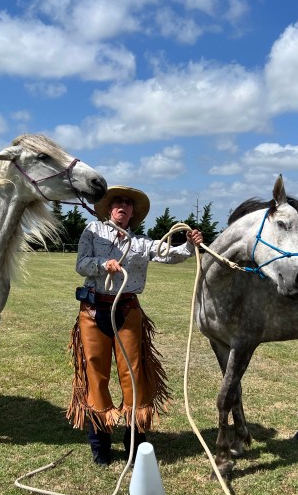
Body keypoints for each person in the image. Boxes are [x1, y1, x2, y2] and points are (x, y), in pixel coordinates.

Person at [66, 186, 203, 465]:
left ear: (132, 213)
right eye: (118, 202)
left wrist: (189, 245)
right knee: (95, 374)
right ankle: (100, 446)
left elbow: (168, 254)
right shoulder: (92, 231)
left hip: (127, 311)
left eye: (128, 204)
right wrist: (103, 264)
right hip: (94, 311)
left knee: (134, 375)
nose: (122, 206)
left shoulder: (141, 243)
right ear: (109, 208)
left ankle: (135, 443)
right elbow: (81, 264)